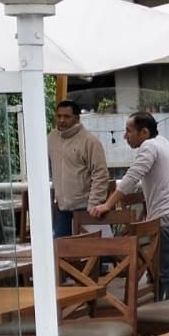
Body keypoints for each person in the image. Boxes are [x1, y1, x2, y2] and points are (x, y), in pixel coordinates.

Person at [91, 112, 169, 299]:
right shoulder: (163, 143)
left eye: (128, 131)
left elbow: (131, 178)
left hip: (165, 220)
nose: (125, 136)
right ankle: (163, 313)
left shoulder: (149, 147)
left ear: (144, 132)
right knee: (163, 273)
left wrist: (107, 205)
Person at [46, 99, 109, 239]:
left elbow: (101, 174)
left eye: (67, 116)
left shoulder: (90, 141)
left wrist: (93, 205)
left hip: (86, 209)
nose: (62, 120)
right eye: (59, 116)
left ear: (77, 118)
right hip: (62, 209)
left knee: (97, 254)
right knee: (61, 253)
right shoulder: (51, 139)